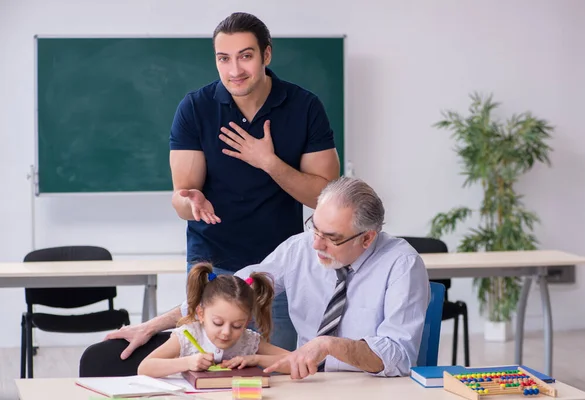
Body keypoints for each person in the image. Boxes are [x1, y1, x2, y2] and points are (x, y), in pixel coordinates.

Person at [79, 177, 430, 379]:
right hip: (306, 382)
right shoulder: (301, 248)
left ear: (367, 238)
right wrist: (156, 324)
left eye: (332, 238)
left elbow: (398, 356)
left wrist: (329, 345)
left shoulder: (402, 265)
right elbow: (236, 287)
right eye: (315, 229)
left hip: (369, 386)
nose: (317, 244)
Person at [169, 11, 340, 352]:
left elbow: (324, 198)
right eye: (224, 59)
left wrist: (269, 163)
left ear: (266, 54)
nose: (235, 70)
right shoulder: (195, 108)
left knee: (279, 370)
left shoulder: (304, 107)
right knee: (210, 369)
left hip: (279, 271)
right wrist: (192, 202)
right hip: (212, 268)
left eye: (245, 56)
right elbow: (182, 200)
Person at [138, 263, 290, 378]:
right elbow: (144, 368)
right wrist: (187, 363)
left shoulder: (248, 340)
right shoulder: (188, 336)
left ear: (247, 321)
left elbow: (294, 362)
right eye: (218, 323)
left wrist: (256, 359)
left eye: (237, 326)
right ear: (201, 314)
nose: (226, 332)